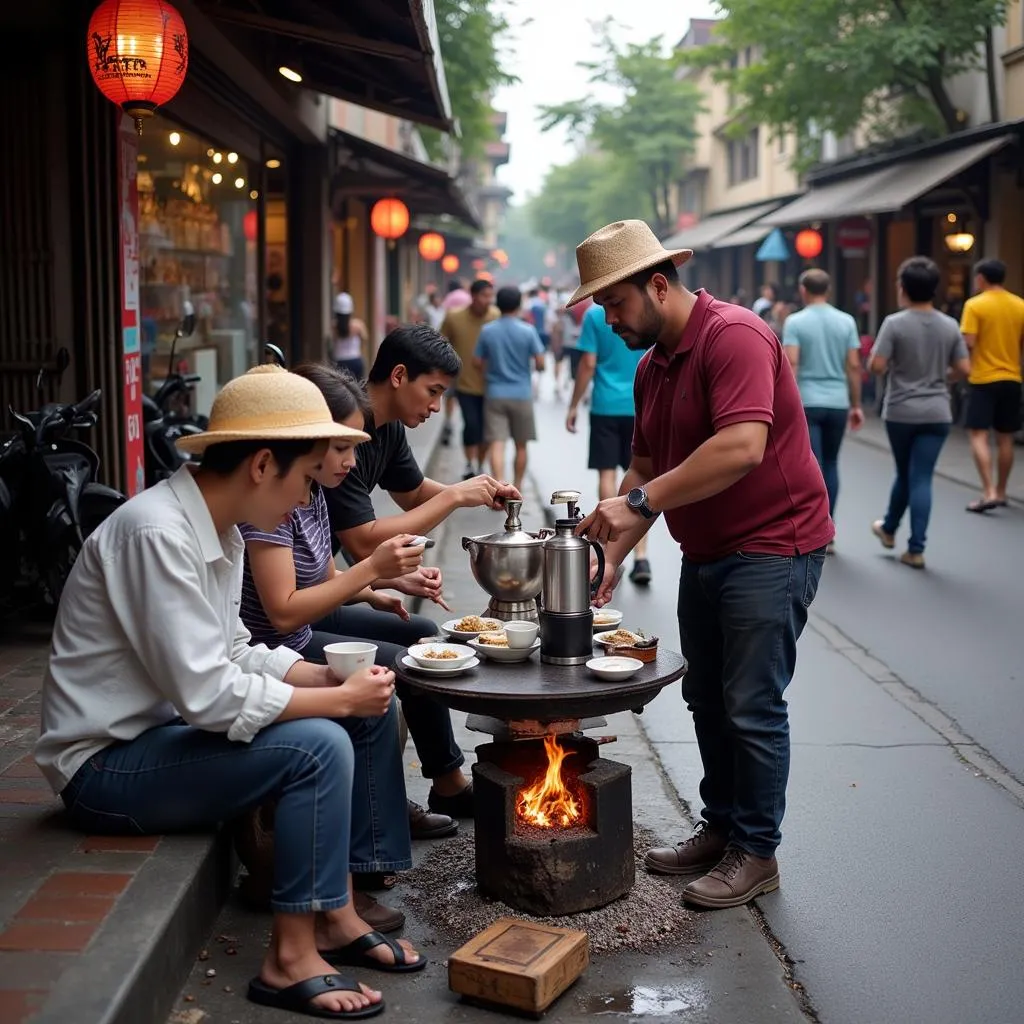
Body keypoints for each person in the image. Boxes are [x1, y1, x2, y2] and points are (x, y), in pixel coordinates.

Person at [35, 366, 425, 1019]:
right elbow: (210, 696)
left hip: (164, 737)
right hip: (104, 768)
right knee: (319, 743)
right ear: (263, 464)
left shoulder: (222, 528)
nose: (307, 500)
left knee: (360, 708)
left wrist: (328, 677)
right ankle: (288, 959)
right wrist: (331, 701)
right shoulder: (157, 534)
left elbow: (238, 651)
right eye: (307, 479)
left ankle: (334, 913)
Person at [572, 220, 831, 910]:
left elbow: (742, 446)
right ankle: (720, 828)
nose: (610, 319)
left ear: (659, 284)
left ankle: (757, 851)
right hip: (709, 551)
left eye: (616, 304)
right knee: (705, 696)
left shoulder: (734, 335)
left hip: (774, 546)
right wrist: (613, 554)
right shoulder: (653, 364)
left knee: (750, 704)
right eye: (601, 307)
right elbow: (649, 466)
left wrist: (637, 500)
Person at [240, 363, 469, 852]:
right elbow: (282, 613)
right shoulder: (270, 504)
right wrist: (371, 570)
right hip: (280, 644)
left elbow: (325, 577)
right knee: (396, 673)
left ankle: (445, 782)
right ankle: (374, 844)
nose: (350, 461)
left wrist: (386, 583)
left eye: (353, 447)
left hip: (299, 632)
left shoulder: (313, 491)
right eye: (341, 446)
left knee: (421, 634)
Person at [324, 324, 521, 819]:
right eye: (432, 391)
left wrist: (476, 488)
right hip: (307, 599)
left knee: (425, 632)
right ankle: (388, 804)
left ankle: (448, 783)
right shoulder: (351, 430)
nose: (436, 406)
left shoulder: (387, 427)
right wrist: (456, 496)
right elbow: (362, 537)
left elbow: (411, 493)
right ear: (397, 375)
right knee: (409, 657)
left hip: (325, 583)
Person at [868, 257, 971, 569]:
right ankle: (907, 543)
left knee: (906, 472)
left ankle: (895, 533)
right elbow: (964, 369)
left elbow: (877, 366)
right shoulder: (950, 325)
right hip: (938, 410)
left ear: (903, 288)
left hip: (901, 410)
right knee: (921, 475)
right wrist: (941, 377)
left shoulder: (894, 323)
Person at [566, 299, 652, 586]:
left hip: (605, 404)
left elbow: (588, 363)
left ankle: (605, 549)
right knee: (641, 482)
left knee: (607, 475)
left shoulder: (593, 316)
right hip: (639, 405)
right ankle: (641, 555)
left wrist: (574, 404)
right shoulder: (640, 309)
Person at [782, 269, 863, 546]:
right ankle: (829, 524)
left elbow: (791, 363)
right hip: (838, 401)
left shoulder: (795, 322)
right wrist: (856, 404)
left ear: (804, 290)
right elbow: (853, 365)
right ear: (827, 290)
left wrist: (785, 402)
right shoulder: (847, 322)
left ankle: (815, 527)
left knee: (810, 465)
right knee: (830, 463)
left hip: (807, 402)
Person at [959, 258, 1024, 513]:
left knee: (978, 434)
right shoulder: (1019, 305)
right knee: (1005, 437)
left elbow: (969, 342)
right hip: (1012, 377)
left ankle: (987, 492)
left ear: (981, 278)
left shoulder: (975, 305)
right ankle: (1002, 491)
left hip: (983, 378)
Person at [474, 286, 546, 491]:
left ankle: (499, 488)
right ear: (518, 305)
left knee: (497, 443)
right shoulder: (528, 330)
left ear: (498, 304)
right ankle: (518, 487)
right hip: (521, 394)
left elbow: (476, 361)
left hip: (495, 393)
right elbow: (540, 362)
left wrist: (491, 371)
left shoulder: (488, 330)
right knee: (521, 445)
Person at [440, 280, 499, 479]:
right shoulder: (454, 317)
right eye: (484, 295)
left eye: (491, 296)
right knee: (471, 425)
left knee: (486, 431)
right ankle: (469, 463)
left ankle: (481, 464)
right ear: (473, 296)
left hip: (492, 385)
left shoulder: (496, 317)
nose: (488, 300)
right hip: (464, 383)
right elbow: (441, 344)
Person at [332, 291, 368, 379]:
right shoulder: (358, 325)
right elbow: (365, 339)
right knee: (358, 388)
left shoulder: (333, 326)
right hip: (355, 360)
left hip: (339, 362)